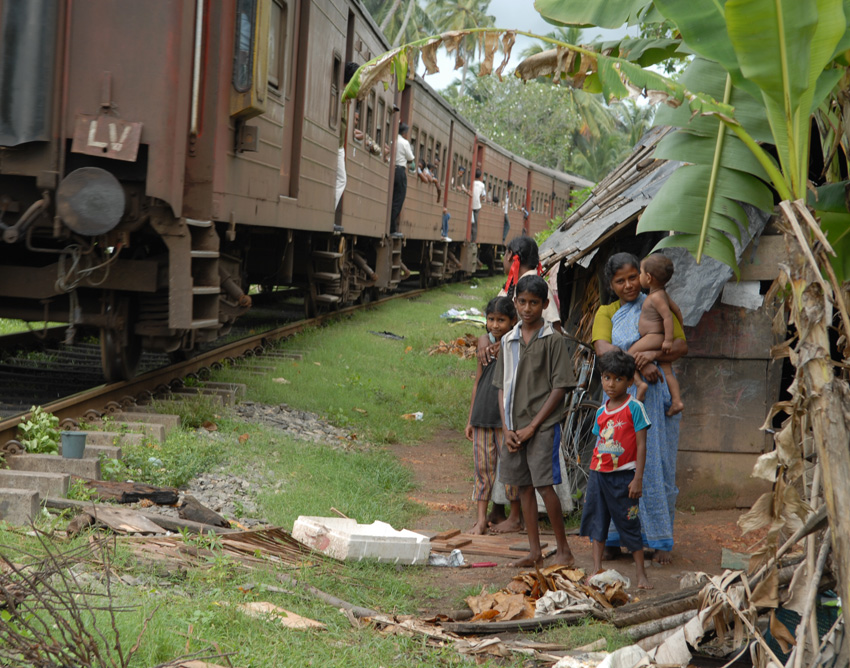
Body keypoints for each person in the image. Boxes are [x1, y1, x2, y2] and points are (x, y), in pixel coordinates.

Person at [592, 252, 687, 565]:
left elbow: (681, 345)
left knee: (657, 464)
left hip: (656, 398)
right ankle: (614, 538)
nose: (629, 285)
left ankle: (659, 540)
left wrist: (653, 358)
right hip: (620, 399)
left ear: (644, 276)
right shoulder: (606, 312)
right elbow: (603, 350)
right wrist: (636, 362)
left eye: (633, 277)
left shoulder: (656, 302)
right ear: (611, 284)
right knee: (616, 461)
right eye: (620, 280)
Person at [493, 275, 576, 567]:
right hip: (514, 426)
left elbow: (560, 387)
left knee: (543, 485)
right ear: (515, 303)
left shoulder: (552, 341)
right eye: (523, 302)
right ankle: (534, 551)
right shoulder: (508, 340)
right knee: (523, 487)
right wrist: (507, 428)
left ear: (544, 305)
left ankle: (564, 550)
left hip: (542, 426)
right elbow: (502, 386)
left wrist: (532, 426)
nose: (527, 308)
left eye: (534, 303)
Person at [580, 349, 652, 590]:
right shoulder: (601, 411)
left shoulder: (635, 408)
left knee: (629, 523)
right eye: (607, 378)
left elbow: (641, 445)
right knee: (597, 523)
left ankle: (641, 574)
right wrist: (592, 474)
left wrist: (637, 479)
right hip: (599, 475)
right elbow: (598, 444)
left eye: (618, 379)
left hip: (623, 476)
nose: (611, 384)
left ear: (630, 382)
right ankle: (596, 569)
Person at [465, 297, 522, 535]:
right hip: (482, 416)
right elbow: (478, 381)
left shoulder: (516, 343)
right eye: (491, 319)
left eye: (501, 320)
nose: (495, 325)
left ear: (512, 322)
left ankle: (516, 516)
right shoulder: (483, 343)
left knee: (509, 468)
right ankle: (480, 520)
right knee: (483, 470)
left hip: (504, 419)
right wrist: (470, 418)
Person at [631, 254, 685, 416]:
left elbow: (668, 316)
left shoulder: (655, 297)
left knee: (628, 356)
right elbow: (677, 311)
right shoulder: (662, 294)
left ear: (648, 277)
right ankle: (676, 401)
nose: (639, 277)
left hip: (653, 337)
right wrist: (680, 328)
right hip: (656, 338)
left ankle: (639, 384)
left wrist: (669, 339)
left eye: (640, 273)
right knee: (667, 370)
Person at [390, 122, 415, 235]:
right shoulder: (404, 143)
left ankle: (390, 226)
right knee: (398, 200)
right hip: (400, 171)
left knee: (391, 198)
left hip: (391, 170)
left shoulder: (393, 140)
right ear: (404, 133)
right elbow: (410, 159)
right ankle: (392, 229)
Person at [471, 168, 485, 242]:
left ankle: (469, 236)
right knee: (475, 224)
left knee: (470, 222)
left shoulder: (471, 182)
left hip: (471, 205)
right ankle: (474, 239)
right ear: (480, 176)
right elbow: (483, 196)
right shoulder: (482, 185)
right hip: (477, 206)